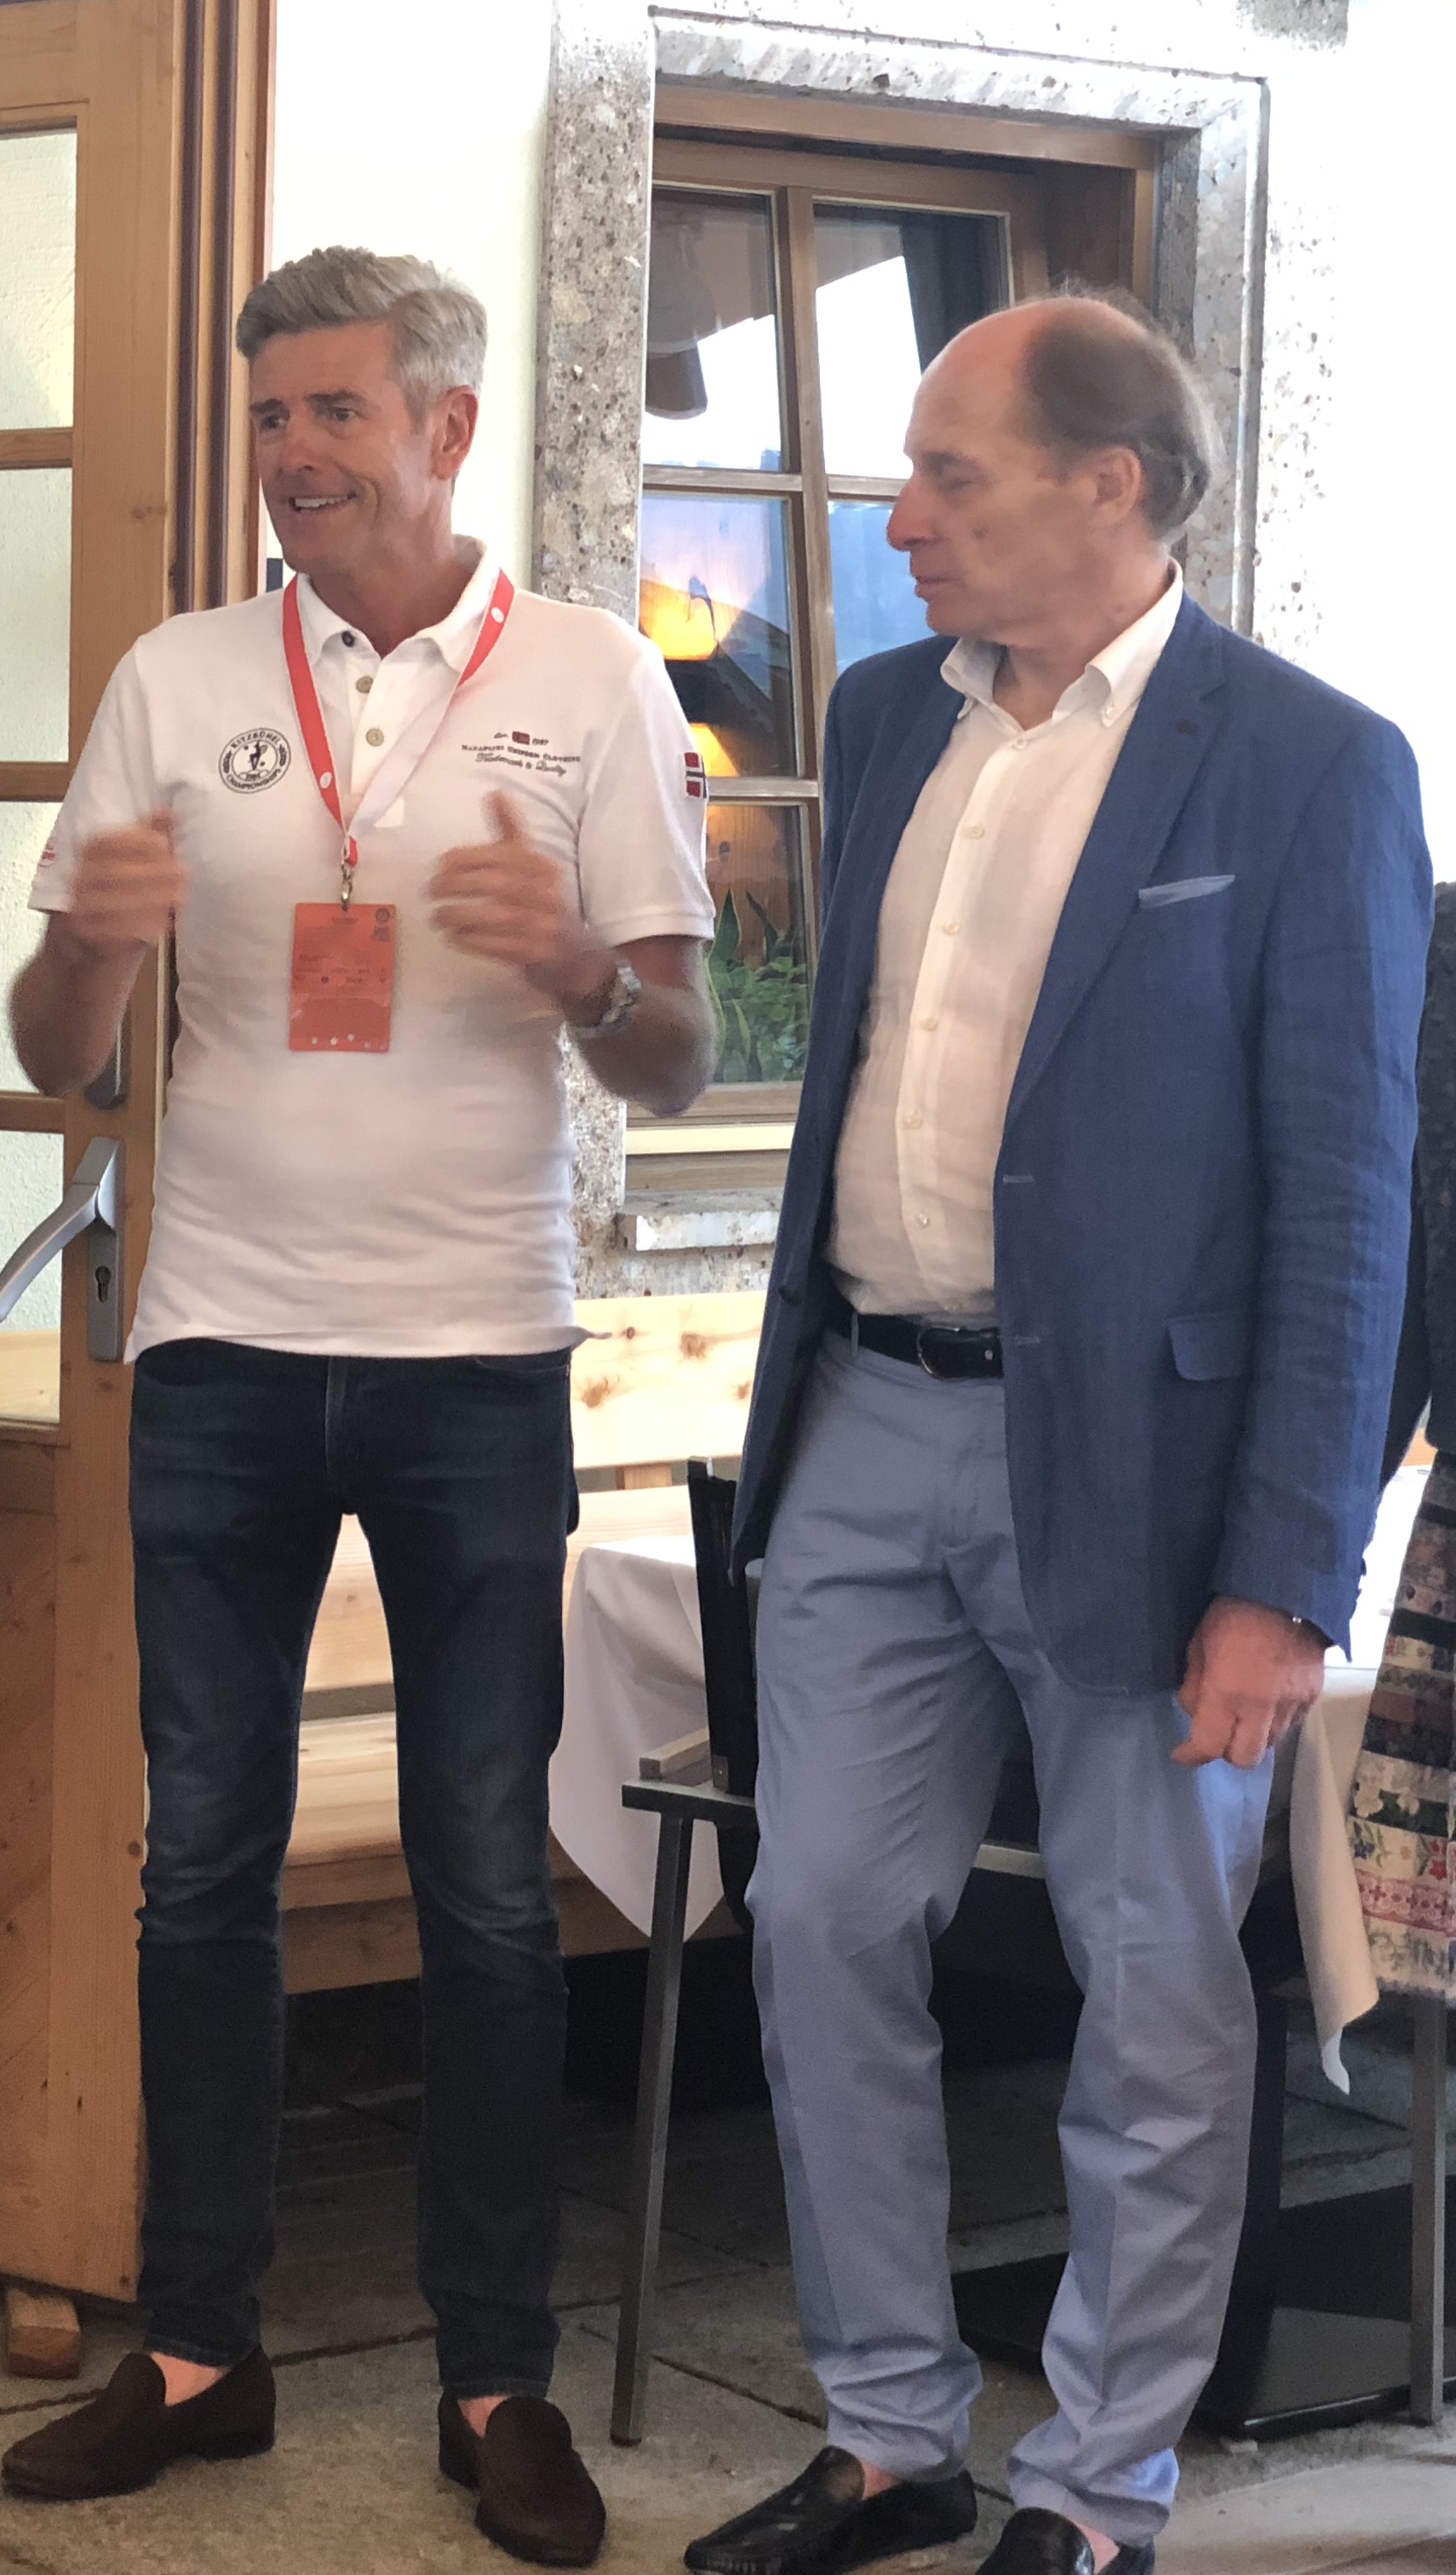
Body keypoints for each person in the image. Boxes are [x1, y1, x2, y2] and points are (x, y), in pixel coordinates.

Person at [685, 295, 1428, 2575]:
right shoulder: (885, 713)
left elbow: (1351, 1197)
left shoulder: (1310, 764)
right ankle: (888, 2434)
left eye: (950, 474)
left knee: (1152, 1979)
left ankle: (1098, 2491)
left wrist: (1285, 1573)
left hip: (1148, 1484)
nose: (897, 517)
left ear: (1112, 486)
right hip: (861, 1422)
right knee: (817, 1920)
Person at [0, 247, 718, 2564]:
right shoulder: (180, 675)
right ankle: (201, 2350)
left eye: (330, 412)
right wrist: (94, 941)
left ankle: (496, 2380)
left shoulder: (590, 676)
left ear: (445, 429)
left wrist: (581, 964)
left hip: (477, 1353)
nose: (290, 456)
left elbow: (679, 1050)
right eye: (268, 419)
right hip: (217, 1345)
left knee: (484, 1885)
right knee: (199, 1863)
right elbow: (50, 1048)